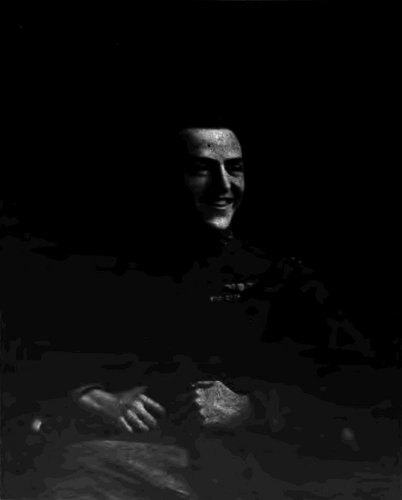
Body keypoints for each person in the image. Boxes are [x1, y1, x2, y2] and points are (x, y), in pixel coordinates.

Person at [4, 122, 399, 500]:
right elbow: (30, 356)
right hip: (138, 465)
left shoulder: (277, 275)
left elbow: (364, 385)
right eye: (202, 170)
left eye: (235, 169)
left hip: (264, 468)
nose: (224, 186)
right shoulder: (109, 268)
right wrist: (89, 395)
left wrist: (254, 408)